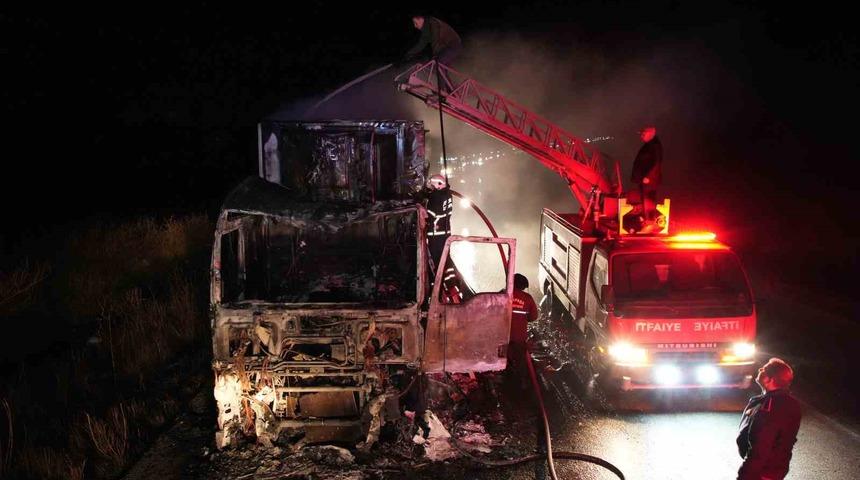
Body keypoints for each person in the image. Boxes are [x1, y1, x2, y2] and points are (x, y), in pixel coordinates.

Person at [736, 357, 802, 480]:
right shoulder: (791, 403)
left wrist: (744, 475)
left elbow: (760, 447)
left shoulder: (769, 407)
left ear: (768, 380)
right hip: (775, 469)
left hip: (761, 472)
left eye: (764, 369)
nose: (760, 369)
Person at [506, 273, 539, 389]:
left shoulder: (501, 295)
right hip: (519, 337)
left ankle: (504, 381)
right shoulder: (527, 298)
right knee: (520, 361)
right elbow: (533, 317)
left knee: (502, 358)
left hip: (501, 335)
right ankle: (522, 384)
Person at [630, 126, 662, 220]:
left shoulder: (655, 145)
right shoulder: (649, 145)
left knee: (649, 200)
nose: (641, 136)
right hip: (644, 179)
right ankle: (647, 221)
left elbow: (657, 162)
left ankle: (650, 222)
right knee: (645, 200)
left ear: (651, 133)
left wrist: (648, 176)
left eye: (644, 134)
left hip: (649, 180)